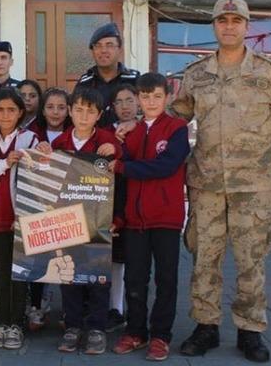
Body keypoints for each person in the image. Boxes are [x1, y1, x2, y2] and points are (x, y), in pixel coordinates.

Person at [171, 0, 271, 363]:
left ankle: (250, 329)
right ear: (214, 26)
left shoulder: (268, 71)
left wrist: (254, 146)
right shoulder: (196, 73)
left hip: (253, 185)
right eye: (222, 20)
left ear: (247, 26)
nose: (229, 26)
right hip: (206, 181)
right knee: (204, 258)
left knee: (251, 260)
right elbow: (178, 115)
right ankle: (206, 326)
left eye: (236, 20)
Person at [109, 73, 190, 361]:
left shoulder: (177, 129)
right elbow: (120, 166)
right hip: (135, 220)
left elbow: (165, 166)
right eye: (145, 96)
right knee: (135, 278)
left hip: (166, 218)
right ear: (138, 99)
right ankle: (135, 332)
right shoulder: (131, 131)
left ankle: (161, 335)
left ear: (167, 97)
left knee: (166, 279)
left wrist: (123, 166)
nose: (151, 101)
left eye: (157, 96)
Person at [50, 88, 119, 355]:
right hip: (68, 222)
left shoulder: (108, 143)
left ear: (99, 115)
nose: (83, 115)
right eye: (78, 109)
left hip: (99, 222)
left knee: (98, 278)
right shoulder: (60, 144)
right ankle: (73, 326)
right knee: (69, 277)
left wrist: (118, 220)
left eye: (90, 111)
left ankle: (97, 329)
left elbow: (119, 183)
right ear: (69, 111)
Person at [0, 88, 41, 350]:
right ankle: (2, 323)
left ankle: (16, 324)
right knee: (0, 273)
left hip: (20, 218)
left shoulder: (31, 139)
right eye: (0, 109)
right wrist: (3, 164)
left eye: (11, 109)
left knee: (20, 273)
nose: (5, 114)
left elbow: (38, 178)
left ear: (21, 112)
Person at [103, 83, 140, 334]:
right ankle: (113, 308)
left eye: (129, 100)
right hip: (109, 200)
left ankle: (133, 310)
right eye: (119, 102)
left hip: (137, 199)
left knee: (133, 261)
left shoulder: (145, 129)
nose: (125, 106)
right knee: (112, 257)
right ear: (112, 107)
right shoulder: (105, 132)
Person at [76, 22, 140, 126]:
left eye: (109, 45)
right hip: (95, 140)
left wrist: (136, 122)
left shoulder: (134, 80)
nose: (103, 50)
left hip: (129, 139)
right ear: (92, 51)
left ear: (119, 49)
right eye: (98, 46)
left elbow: (149, 113)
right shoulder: (85, 83)